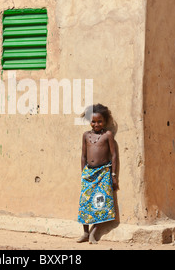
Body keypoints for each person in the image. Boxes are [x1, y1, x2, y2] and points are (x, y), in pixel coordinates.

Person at [77, 104, 118, 244]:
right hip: (89, 173)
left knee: (101, 203)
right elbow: (83, 156)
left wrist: (113, 175)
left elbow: (114, 156)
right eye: (93, 121)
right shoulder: (86, 135)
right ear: (89, 121)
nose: (96, 124)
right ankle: (85, 232)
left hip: (103, 173)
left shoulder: (107, 135)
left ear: (105, 121)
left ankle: (94, 233)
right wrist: (83, 173)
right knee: (85, 201)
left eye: (99, 121)